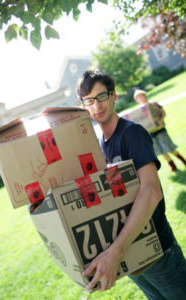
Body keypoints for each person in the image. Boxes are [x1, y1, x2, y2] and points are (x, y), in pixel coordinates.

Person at [76, 70, 186, 299]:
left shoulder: (131, 133)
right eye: (89, 100)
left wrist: (114, 253)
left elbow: (151, 191)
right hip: (131, 258)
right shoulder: (97, 143)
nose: (96, 105)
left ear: (114, 96)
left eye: (101, 96)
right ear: (83, 105)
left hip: (159, 252)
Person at [134, 89, 186, 172]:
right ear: (137, 100)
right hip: (151, 134)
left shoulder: (153, 103)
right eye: (138, 97)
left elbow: (163, 112)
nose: (141, 98)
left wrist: (161, 120)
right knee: (161, 151)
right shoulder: (139, 110)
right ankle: (173, 166)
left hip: (160, 130)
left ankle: (184, 161)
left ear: (144, 95)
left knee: (169, 148)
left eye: (141, 96)